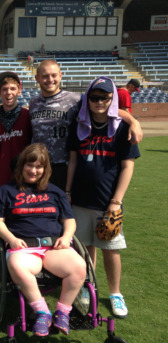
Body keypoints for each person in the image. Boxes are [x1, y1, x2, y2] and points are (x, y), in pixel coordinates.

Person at [0, 143, 86, 337]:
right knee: (17, 266)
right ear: (22, 166)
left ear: (45, 169)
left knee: (79, 267)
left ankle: (63, 313)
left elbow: (69, 220)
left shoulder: (55, 192)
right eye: (29, 165)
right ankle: (42, 312)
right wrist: (11, 238)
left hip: (54, 247)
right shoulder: (7, 191)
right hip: (23, 247)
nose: (33, 170)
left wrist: (67, 237)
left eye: (39, 166)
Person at [66, 77, 140, 319]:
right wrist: (67, 192)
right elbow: (74, 161)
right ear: (87, 98)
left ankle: (116, 293)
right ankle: (88, 287)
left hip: (107, 202)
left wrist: (116, 202)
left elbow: (127, 167)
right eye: (94, 97)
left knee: (110, 249)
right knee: (85, 249)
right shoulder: (79, 125)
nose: (99, 102)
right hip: (80, 199)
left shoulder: (121, 128)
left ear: (112, 99)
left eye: (104, 98)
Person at [30, 59, 143, 191]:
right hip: (37, 167)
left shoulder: (76, 99)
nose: (50, 79)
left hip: (65, 166)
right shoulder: (34, 102)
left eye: (54, 75)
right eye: (45, 76)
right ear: (37, 78)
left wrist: (133, 121)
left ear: (60, 75)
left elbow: (107, 108)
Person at [0, 72, 32, 186]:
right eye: (4, 89)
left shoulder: (28, 116)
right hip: (0, 174)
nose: (9, 92)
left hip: (23, 174)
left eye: (13, 89)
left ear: (19, 92)